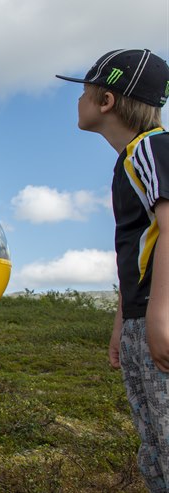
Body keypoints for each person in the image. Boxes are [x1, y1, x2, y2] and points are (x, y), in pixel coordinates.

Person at [56, 49, 169, 492]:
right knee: (153, 441)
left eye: (84, 91)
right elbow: (139, 249)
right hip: (141, 318)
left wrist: (159, 315)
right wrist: (123, 321)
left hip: (158, 318)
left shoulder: (151, 148)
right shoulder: (130, 159)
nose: (77, 100)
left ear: (106, 100)